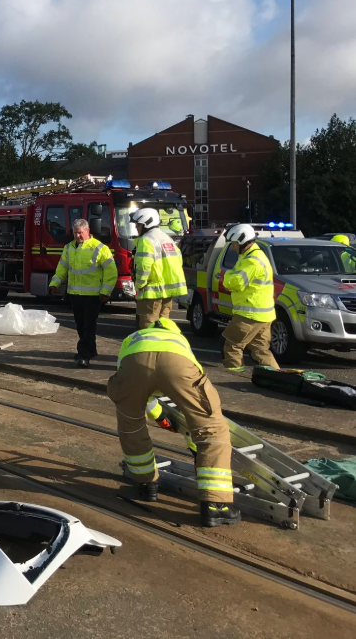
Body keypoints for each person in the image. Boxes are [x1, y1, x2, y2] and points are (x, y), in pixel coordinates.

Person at [108, 317, 239, 527]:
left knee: (131, 424)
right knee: (211, 429)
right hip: (177, 363)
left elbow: (142, 392)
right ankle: (215, 506)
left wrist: (159, 415)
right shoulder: (178, 339)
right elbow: (187, 380)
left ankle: (147, 484)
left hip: (134, 363)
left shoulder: (133, 338)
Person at [49, 218, 116, 368]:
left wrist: (106, 292)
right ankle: (90, 350)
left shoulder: (99, 248)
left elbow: (111, 272)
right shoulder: (69, 248)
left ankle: (84, 355)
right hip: (75, 294)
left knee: (88, 325)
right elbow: (62, 269)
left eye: (80, 233)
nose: (78, 236)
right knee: (80, 325)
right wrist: (54, 283)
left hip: (93, 296)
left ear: (88, 232)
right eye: (75, 233)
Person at [220, 224, 278, 371]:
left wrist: (227, 275)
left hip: (250, 314)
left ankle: (233, 377)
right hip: (263, 314)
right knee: (260, 350)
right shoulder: (254, 256)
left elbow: (236, 282)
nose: (232, 247)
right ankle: (279, 377)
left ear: (242, 241)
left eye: (233, 243)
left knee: (232, 345)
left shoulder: (252, 261)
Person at [130, 207, 187, 329]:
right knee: (163, 329)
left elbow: (144, 266)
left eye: (138, 224)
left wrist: (139, 285)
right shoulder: (168, 239)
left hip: (151, 294)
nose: (136, 227)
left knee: (148, 330)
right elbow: (178, 261)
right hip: (167, 294)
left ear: (146, 224)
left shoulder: (146, 240)